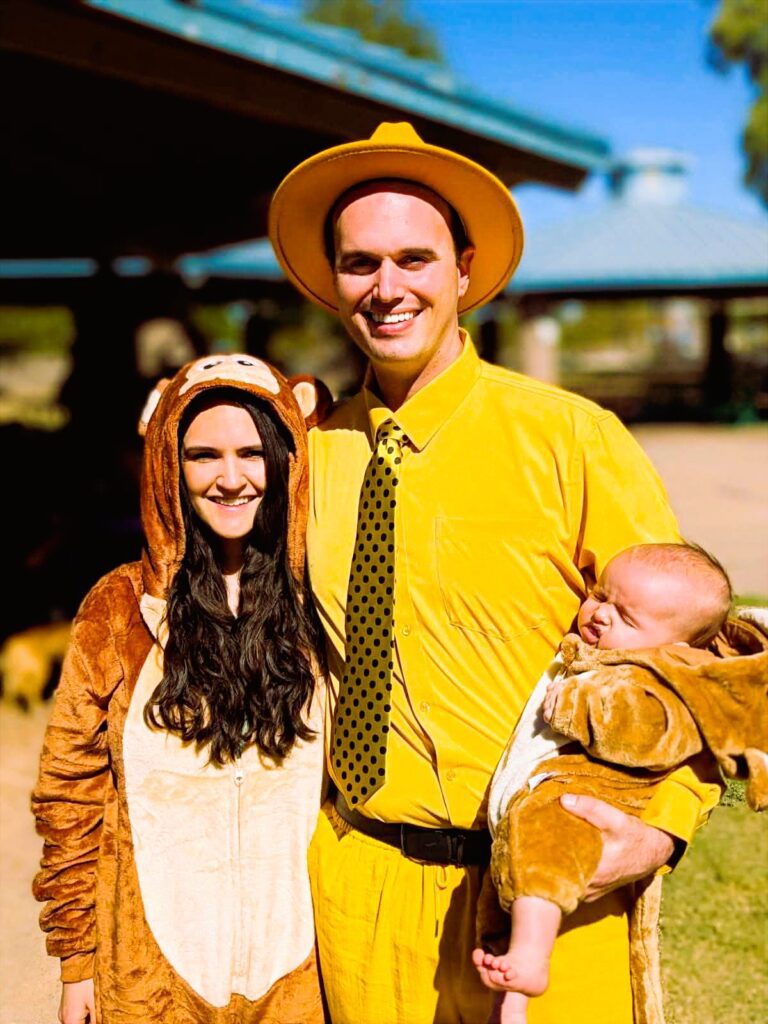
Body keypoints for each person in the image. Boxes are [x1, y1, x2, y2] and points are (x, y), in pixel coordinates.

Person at [268, 122, 722, 1024]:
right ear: (332, 281)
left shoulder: (571, 439)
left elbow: (689, 653)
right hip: (358, 890)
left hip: (544, 897)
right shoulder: (307, 452)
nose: (387, 288)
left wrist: (661, 828)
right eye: (360, 263)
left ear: (464, 269)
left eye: (414, 258)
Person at [32, 354, 328, 1024]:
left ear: (288, 457)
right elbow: (69, 790)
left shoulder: (322, 602)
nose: (231, 478)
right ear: (168, 462)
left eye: (252, 453)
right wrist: (77, 961)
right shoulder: (118, 608)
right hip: (153, 977)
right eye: (203, 456)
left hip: (300, 975)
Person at [472, 542, 744, 1022]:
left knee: (541, 865)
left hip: (585, 799)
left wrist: (577, 707)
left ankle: (529, 964)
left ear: (675, 648)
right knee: (508, 903)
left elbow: (643, 731)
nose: (599, 614)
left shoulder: (657, 680)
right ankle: (511, 998)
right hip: (542, 796)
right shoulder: (599, 652)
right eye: (600, 595)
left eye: (626, 617)